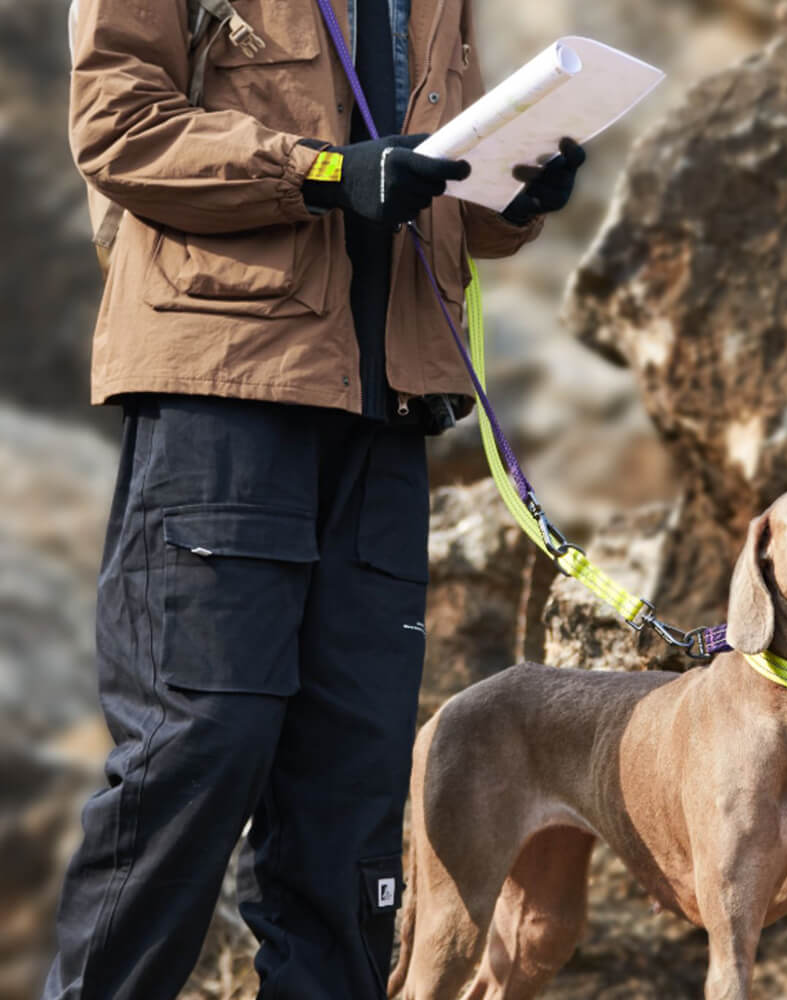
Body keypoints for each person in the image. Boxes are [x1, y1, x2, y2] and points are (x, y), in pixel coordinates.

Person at [46, 1, 585, 998]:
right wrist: (322, 172)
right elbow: (119, 125)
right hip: (224, 392)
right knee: (198, 749)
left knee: (353, 788)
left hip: (387, 415)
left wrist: (517, 192)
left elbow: (446, 194)